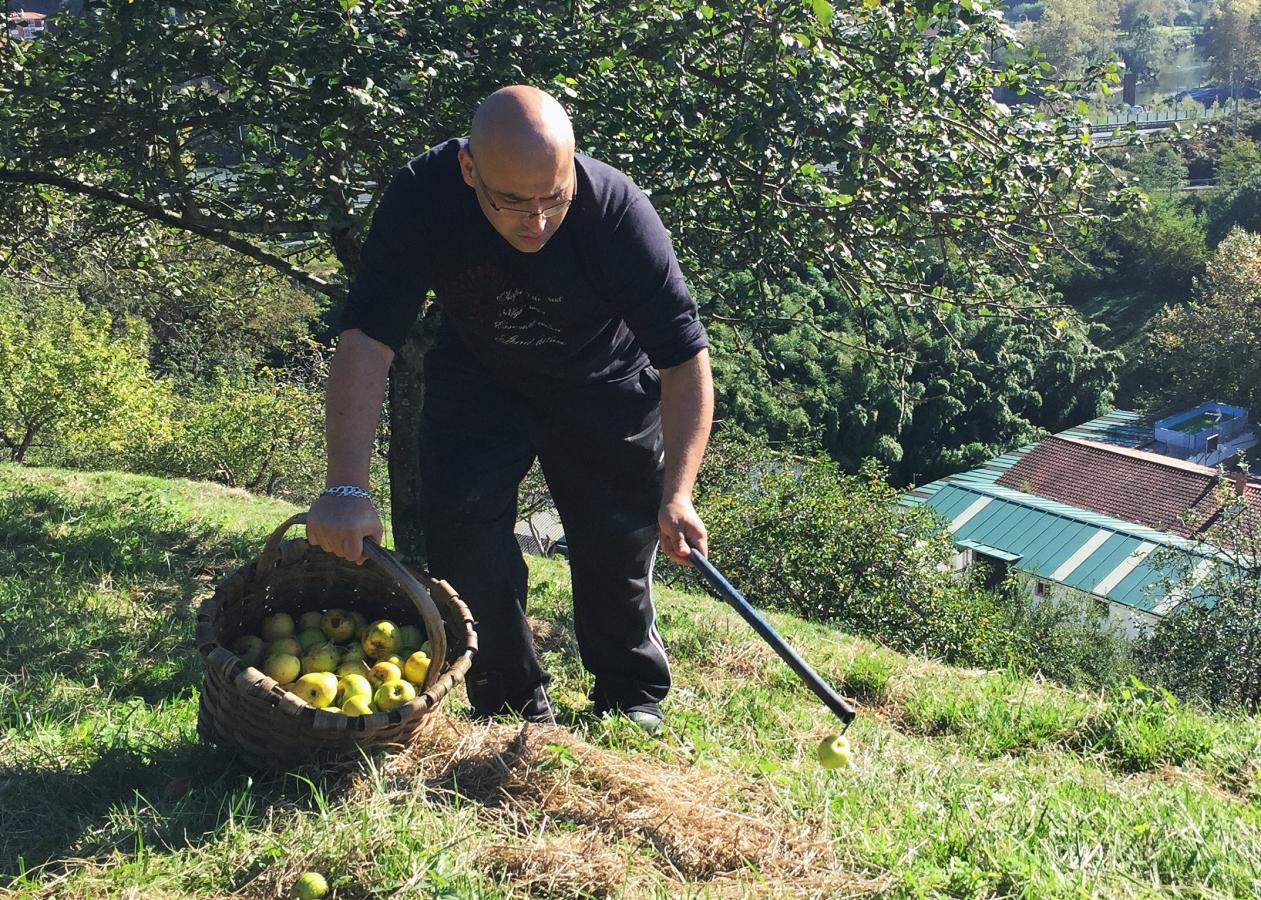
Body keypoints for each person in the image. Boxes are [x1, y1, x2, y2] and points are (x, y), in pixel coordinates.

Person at [306, 85, 713, 733]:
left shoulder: (615, 212)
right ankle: (507, 699)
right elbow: (366, 338)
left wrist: (679, 492)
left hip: (601, 383)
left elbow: (684, 359)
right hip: (480, 378)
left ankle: (630, 694)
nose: (537, 221)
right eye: (512, 201)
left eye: (554, 198)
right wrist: (345, 486)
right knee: (460, 534)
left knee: (616, 539)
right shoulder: (423, 197)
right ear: (469, 169)